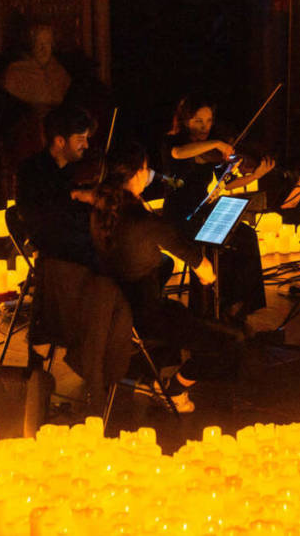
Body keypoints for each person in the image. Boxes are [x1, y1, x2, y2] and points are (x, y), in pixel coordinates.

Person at [91, 142, 226, 413]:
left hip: (117, 314)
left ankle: (153, 376)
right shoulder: (144, 222)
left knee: (169, 286)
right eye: (144, 168)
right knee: (226, 343)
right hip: (146, 318)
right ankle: (174, 389)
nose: (149, 173)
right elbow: (201, 265)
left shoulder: (102, 213)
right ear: (135, 174)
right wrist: (206, 274)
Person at [160, 94, 274, 321]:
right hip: (179, 217)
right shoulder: (173, 143)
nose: (205, 127)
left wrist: (256, 175)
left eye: (209, 121)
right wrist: (216, 143)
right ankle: (208, 312)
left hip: (203, 212)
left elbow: (228, 184)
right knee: (216, 244)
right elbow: (179, 154)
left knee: (246, 236)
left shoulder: (210, 151)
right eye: (198, 121)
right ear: (185, 121)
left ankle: (240, 308)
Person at [15, 104, 99, 269]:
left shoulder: (67, 169)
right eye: (81, 140)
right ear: (60, 141)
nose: (87, 146)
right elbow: (38, 216)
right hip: (59, 255)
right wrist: (73, 195)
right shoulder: (31, 171)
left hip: (78, 247)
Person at [1, 23, 73, 117]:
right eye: (38, 43)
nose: (43, 49)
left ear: (52, 46)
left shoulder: (59, 71)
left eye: (47, 43)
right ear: (31, 46)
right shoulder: (15, 72)